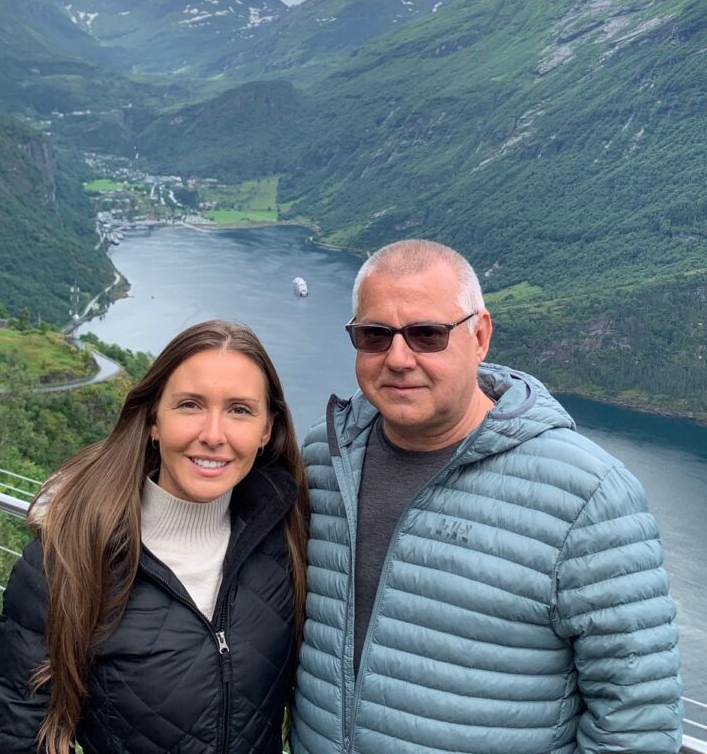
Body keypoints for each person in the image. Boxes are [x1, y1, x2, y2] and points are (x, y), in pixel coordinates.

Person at [291, 240, 683, 754]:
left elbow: (638, 717)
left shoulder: (586, 494)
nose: (398, 358)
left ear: (480, 337)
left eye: (427, 334)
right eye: (374, 335)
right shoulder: (325, 457)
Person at [0, 320, 308, 754]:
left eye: (240, 410)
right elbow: (19, 738)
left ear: (267, 431)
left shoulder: (285, 534)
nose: (213, 435)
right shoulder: (69, 558)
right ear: (154, 419)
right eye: (190, 405)